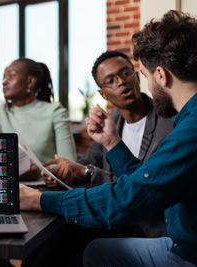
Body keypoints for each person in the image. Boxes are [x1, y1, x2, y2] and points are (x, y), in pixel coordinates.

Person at [20, 10, 197, 266]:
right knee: (95, 251)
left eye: (143, 77)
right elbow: (151, 180)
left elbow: (132, 196)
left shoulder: (189, 128)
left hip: (186, 253)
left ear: (161, 75)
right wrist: (113, 143)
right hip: (181, 241)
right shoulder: (186, 120)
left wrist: (38, 200)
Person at [44, 50, 173, 238]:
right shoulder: (112, 121)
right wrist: (65, 171)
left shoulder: (168, 121)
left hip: (150, 228)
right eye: (111, 81)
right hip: (115, 221)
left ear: (137, 76)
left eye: (125, 73)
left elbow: (143, 185)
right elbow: (89, 161)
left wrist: (87, 173)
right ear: (103, 95)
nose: (121, 82)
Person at [0, 57, 76, 165]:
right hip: (11, 181)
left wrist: (41, 172)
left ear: (30, 82)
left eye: (11, 76)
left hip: (47, 181)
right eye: (4, 77)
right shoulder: (0, 113)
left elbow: (70, 165)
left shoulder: (55, 112)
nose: (4, 82)